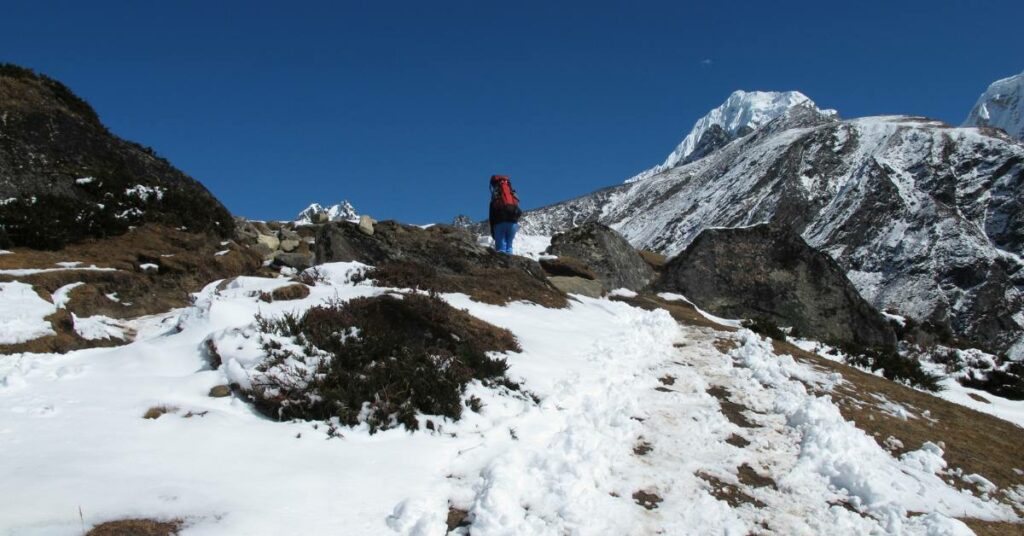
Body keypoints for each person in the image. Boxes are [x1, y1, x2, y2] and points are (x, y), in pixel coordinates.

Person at [488, 175, 521, 254]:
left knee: (500, 249)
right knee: (509, 247)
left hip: (500, 222)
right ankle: (511, 264)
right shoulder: (512, 193)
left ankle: (501, 265)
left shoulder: (496, 195)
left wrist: (493, 230)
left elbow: (492, 215)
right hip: (513, 223)